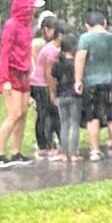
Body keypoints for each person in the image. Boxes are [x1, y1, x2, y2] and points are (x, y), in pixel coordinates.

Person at [0, 0, 37, 166]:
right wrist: (5, 79)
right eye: (31, 8)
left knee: (23, 113)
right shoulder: (12, 25)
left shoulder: (27, 25)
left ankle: (16, 151)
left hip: (24, 73)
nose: (33, 11)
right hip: (12, 73)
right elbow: (5, 53)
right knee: (14, 114)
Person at [75, 10, 112, 160]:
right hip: (110, 80)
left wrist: (78, 80)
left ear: (87, 25)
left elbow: (80, 59)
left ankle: (95, 150)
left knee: (92, 117)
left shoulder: (85, 39)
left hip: (91, 82)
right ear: (104, 23)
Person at [31, 12, 64, 160]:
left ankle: (51, 144)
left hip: (39, 83)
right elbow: (48, 73)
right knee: (46, 115)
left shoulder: (50, 46)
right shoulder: (51, 50)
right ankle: (45, 145)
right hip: (41, 84)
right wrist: (52, 91)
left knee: (49, 114)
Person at [53, 19, 83, 162]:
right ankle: (74, 153)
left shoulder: (57, 63)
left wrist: (53, 94)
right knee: (75, 124)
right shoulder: (76, 64)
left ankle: (64, 153)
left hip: (61, 96)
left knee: (64, 124)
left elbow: (53, 80)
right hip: (74, 96)